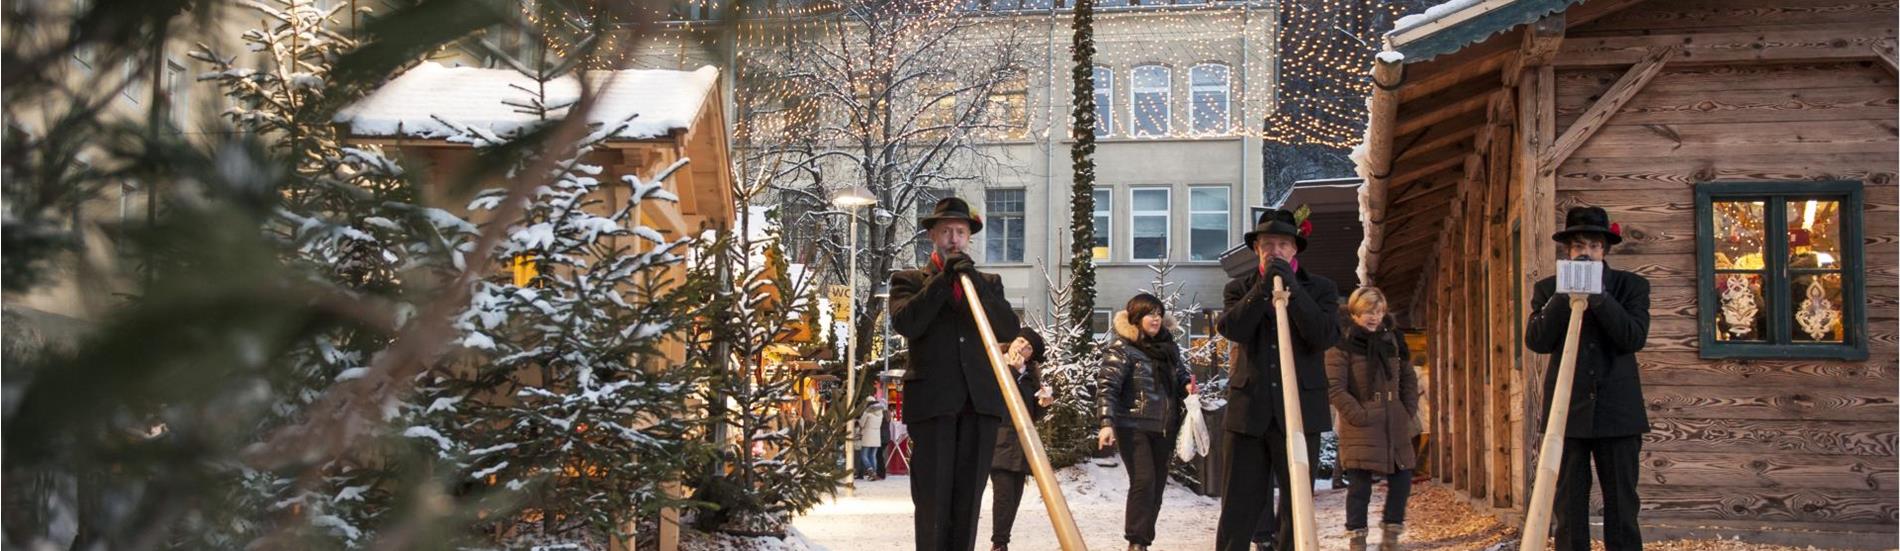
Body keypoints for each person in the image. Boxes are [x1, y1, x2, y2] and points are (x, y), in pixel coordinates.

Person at [889, 196, 1021, 551]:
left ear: (968, 238)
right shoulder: (909, 280)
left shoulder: (988, 282)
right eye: (945, 231)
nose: (953, 238)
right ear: (932, 235)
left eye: (960, 232)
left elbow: (1008, 328)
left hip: (980, 407)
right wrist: (941, 282)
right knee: (933, 499)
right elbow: (907, 323)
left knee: (968, 502)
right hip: (933, 406)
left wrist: (971, 281)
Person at [1525, 205, 1651, 551]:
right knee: (1568, 507)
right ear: (1569, 250)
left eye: (1594, 246)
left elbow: (1632, 338)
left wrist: (1598, 296)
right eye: (1579, 246)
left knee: (1622, 507)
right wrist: (1564, 296)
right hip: (1567, 415)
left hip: (1618, 413)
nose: (1587, 253)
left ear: (1604, 250)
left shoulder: (1631, 286)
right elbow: (1537, 340)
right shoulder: (1548, 289)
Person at [1214, 208, 1341, 551]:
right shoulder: (1238, 288)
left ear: (1295, 249)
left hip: (1301, 413)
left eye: (1283, 244)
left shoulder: (1321, 289)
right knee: (1238, 505)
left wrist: (1293, 290)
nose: (1275, 250)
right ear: (1256, 249)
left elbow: (1323, 335)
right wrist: (1262, 288)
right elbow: (1232, 328)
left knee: (1295, 505)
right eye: (1267, 244)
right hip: (1248, 413)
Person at [1097, 293, 1194, 551]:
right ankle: (1136, 541)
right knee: (1144, 481)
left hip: (1165, 427)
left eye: (1159, 314)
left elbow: (1181, 374)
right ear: (1137, 318)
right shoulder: (1123, 348)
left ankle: (1143, 539)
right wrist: (1106, 422)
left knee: (1158, 486)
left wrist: (1187, 385)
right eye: (1150, 314)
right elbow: (1108, 385)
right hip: (1133, 426)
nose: (1156, 319)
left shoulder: (1168, 347)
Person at [1324, 287, 1419, 551]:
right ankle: (1357, 538)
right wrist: (1359, 415)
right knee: (1359, 486)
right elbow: (1335, 387)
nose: (1373, 317)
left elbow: (1408, 376)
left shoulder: (1393, 340)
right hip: (1361, 424)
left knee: (1403, 478)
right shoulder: (1341, 343)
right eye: (1367, 311)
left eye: (1378, 311)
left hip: (1395, 421)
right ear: (1355, 312)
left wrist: (1406, 409)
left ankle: (1391, 535)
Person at [988, 328, 1055, 551]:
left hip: (1022, 443)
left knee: (1014, 496)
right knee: (1004, 495)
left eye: (1028, 347)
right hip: (1000, 440)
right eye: (1021, 340)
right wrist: (1014, 372)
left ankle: (1002, 541)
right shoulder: (997, 363)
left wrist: (1043, 403)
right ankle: (999, 544)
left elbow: (1030, 412)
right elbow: (999, 398)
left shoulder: (1030, 376)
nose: (1022, 347)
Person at [858, 398, 887, 480]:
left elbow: (861, 423)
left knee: (864, 455)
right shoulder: (880, 413)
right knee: (873, 455)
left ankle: (870, 470)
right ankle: (874, 473)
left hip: (868, 434)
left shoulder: (867, 412)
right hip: (877, 436)